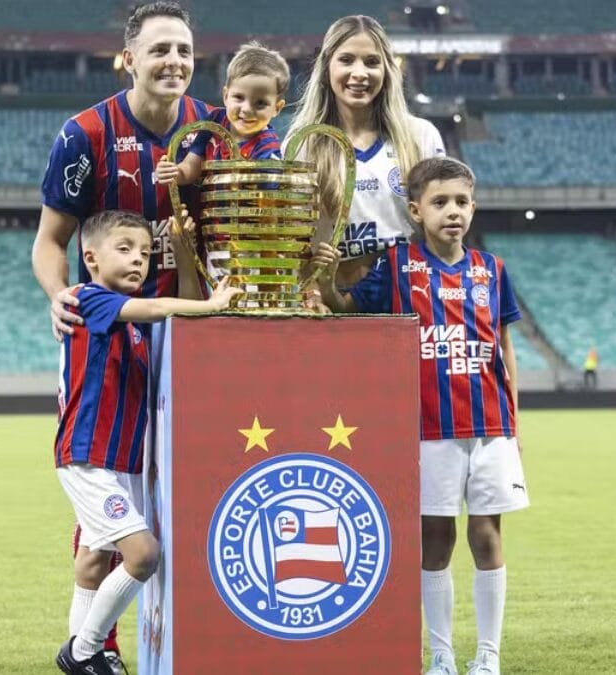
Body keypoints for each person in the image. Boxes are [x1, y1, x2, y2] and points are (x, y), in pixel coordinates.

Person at [32, 3, 212, 670]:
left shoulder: (210, 130)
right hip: (116, 323)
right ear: (129, 58)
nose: (173, 61)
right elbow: (50, 241)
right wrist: (61, 295)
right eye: (160, 48)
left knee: (154, 485)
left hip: (188, 322)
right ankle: (92, 646)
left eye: (184, 50)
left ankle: (106, 643)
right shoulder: (86, 133)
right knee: (113, 492)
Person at [311, 157, 528, 675]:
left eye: (461, 202)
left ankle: (489, 657)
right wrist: (321, 273)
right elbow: (344, 306)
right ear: (415, 209)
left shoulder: (491, 270)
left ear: (473, 208)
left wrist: (517, 426)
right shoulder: (397, 264)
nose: (452, 212)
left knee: (487, 534)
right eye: (439, 202)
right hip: (429, 427)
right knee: (436, 538)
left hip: (491, 424)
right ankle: (442, 656)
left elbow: (505, 350)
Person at [53, 210, 240, 675]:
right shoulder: (87, 298)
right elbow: (161, 307)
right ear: (89, 257)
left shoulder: (130, 323)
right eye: (125, 249)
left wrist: (181, 258)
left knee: (95, 559)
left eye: (144, 252)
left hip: (122, 461)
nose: (138, 260)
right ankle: (83, 651)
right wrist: (216, 304)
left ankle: (86, 656)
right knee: (144, 554)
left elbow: (165, 313)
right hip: (89, 455)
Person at [285, 14, 446, 293]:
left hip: (412, 295)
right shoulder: (302, 144)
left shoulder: (421, 137)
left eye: (372, 62)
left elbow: (443, 227)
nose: (360, 73)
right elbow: (294, 241)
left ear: (387, 71)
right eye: (346, 60)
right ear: (326, 68)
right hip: (332, 299)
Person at [156, 40, 288, 186]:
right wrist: (175, 173)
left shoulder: (268, 150)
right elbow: (191, 167)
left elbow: (267, 200)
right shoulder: (214, 121)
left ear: (277, 108)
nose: (247, 109)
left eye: (260, 103)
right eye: (239, 97)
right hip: (207, 209)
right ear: (225, 96)